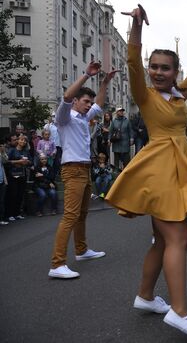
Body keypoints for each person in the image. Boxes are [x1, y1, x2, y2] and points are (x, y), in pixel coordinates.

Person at [107, 4, 187, 339]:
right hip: (158, 169)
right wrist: (137, 27)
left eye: (166, 68)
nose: (159, 72)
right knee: (179, 237)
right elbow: (132, 61)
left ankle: (146, 296)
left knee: (163, 240)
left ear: (175, 71)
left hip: (176, 167)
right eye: (155, 67)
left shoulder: (180, 94)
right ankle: (179, 312)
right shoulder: (144, 95)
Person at [48, 61, 117, 279]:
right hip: (72, 170)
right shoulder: (64, 117)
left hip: (84, 169)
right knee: (70, 216)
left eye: (89, 102)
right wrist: (87, 74)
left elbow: (100, 103)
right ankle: (57, 264)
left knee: (81, 215)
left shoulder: (84, 117)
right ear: (76, 101)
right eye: (85, 101)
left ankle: (81, 250)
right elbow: (67, 97)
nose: (89, 105)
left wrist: (104, 82)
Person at [6, 135, 32, 222]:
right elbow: (6, 161)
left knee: (20, 195)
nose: (23, 142)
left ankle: (17, 213)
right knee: (13, 195)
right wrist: (18, 161)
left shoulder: (26, 151)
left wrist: (27, 162)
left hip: (22, 175)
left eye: (25, 141)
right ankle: (10, 214)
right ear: (18, 141)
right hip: (13, 176)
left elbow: (30, 162)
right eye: (21, 140)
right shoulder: (12, 150)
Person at [44, 113, 62, 177]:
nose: (54, 118)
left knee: (57, 161)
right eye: (53, 116)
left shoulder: (60, 125)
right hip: (49, 145)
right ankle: (49, 174)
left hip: (58, 145)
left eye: (55, 116)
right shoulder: (47, 125)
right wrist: (49, 123)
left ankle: (55, 174)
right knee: (49, 160)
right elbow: (45, 132)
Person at [0, 141, 9, 225]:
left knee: (2, 201)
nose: (1, 147)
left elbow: (5, 161)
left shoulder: (1, 154)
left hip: (2, 180)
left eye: (2, 146)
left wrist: (2, 152)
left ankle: (2, 218)